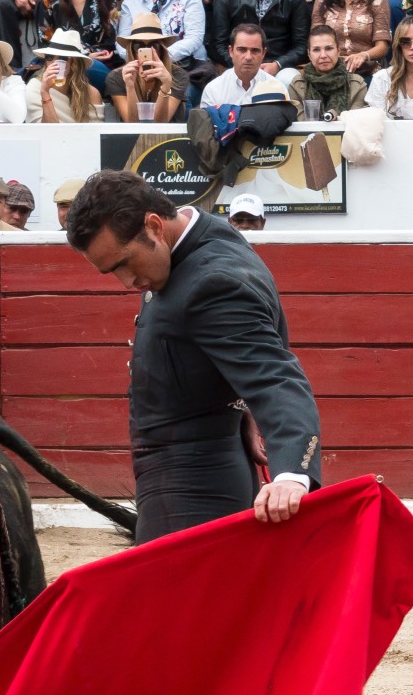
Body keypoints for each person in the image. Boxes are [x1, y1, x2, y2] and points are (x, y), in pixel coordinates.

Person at [65, 169, 321, 540]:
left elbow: (275, 377)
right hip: (192, 472)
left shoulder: (212, 281)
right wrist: (238, 403)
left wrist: (292, 474)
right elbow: (226, 350)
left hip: (195, 488)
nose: (126, 283)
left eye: (124, 263)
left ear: (154, 226)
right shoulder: (194, 241)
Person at [106, 11, 189, 120]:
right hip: (131, 137)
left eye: (154, 45)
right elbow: (132, 123)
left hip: (168, 136)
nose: (148, 50)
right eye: (138, 46)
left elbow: (161, 123)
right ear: (131, 49)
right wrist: (130, 87)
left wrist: (166, 85)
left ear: (162, 49)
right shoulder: (117, 77)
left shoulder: (177, 75)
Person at [288, 25, 368, 119]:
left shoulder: (357, 85)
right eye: (316, 50)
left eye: (329, 48)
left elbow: (354, 124)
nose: (323, 55)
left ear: (338, 51)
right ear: (309, 55)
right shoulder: (296, 86)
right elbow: (301, 126)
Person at [26, 26, 104, 122]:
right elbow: (45, 133)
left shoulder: (91, 93)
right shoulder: (36, 87)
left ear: (75, 64)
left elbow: (94, 133)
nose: (55, 63)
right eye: (49, 57)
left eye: (62, 58)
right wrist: (45, 93)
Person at [200, 21, 270, 105]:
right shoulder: (213, 90)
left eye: (255, 50)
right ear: (231, 51)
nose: (248, 57)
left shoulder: (277, 90)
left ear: (263, 53)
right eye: (242, 50)